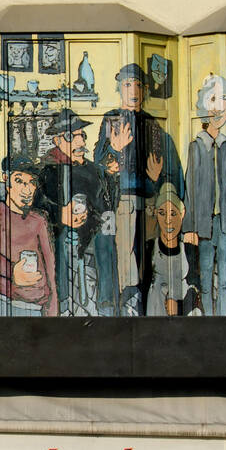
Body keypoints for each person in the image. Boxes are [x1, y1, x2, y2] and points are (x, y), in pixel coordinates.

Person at [93, 63, 184, 314]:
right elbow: (99, 163)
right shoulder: (111, 119)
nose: (132, 90)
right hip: (122, 201)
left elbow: (167, 167)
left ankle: (145, 303)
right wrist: (115, 149)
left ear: (143, 90)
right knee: (124, 257)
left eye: (137, 85)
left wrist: (157, 179)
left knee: (147, 254)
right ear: (119, 89)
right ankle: (125, 302)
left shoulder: (153, 123)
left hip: (150, 200)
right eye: (126, 85)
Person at [37, 108, 113, 316]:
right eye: (72, 136)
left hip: (89, 228)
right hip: (58, 228)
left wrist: (90, 217)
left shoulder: (94, 171)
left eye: (82, 136)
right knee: (57, 238)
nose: (80, 143)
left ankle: (107, 302)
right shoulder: (46, 170)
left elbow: (104, 204)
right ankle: (61, 301)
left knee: (107, 231)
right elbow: (37, 206)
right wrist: (60, 214)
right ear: (57, 141)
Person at [183, 75, 226, 316]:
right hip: (205, 225)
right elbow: (190, 189)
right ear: (203, 105)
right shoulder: (196, 147)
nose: (218, 106)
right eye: (212, 99)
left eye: (224, 99)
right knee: (206, 277)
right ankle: (210, 320)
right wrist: (190, 227)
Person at [0, 153, 57, 316]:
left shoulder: (39, 220)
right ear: (7, 181)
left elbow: (50, 266)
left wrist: (52, 309)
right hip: (6, 300)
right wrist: (13, 272)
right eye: (19, 181)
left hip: (37, 304)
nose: (26, 189)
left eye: (31, 182)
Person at [140, 184, 200, 316]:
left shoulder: (189, 249)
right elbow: (142, 288)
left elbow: (196, 288)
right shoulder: (149, 247)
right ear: (156, 214)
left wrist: (179, 306)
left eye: (173, 213)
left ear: (182, 214)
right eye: (162, 213)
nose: (168, 221)